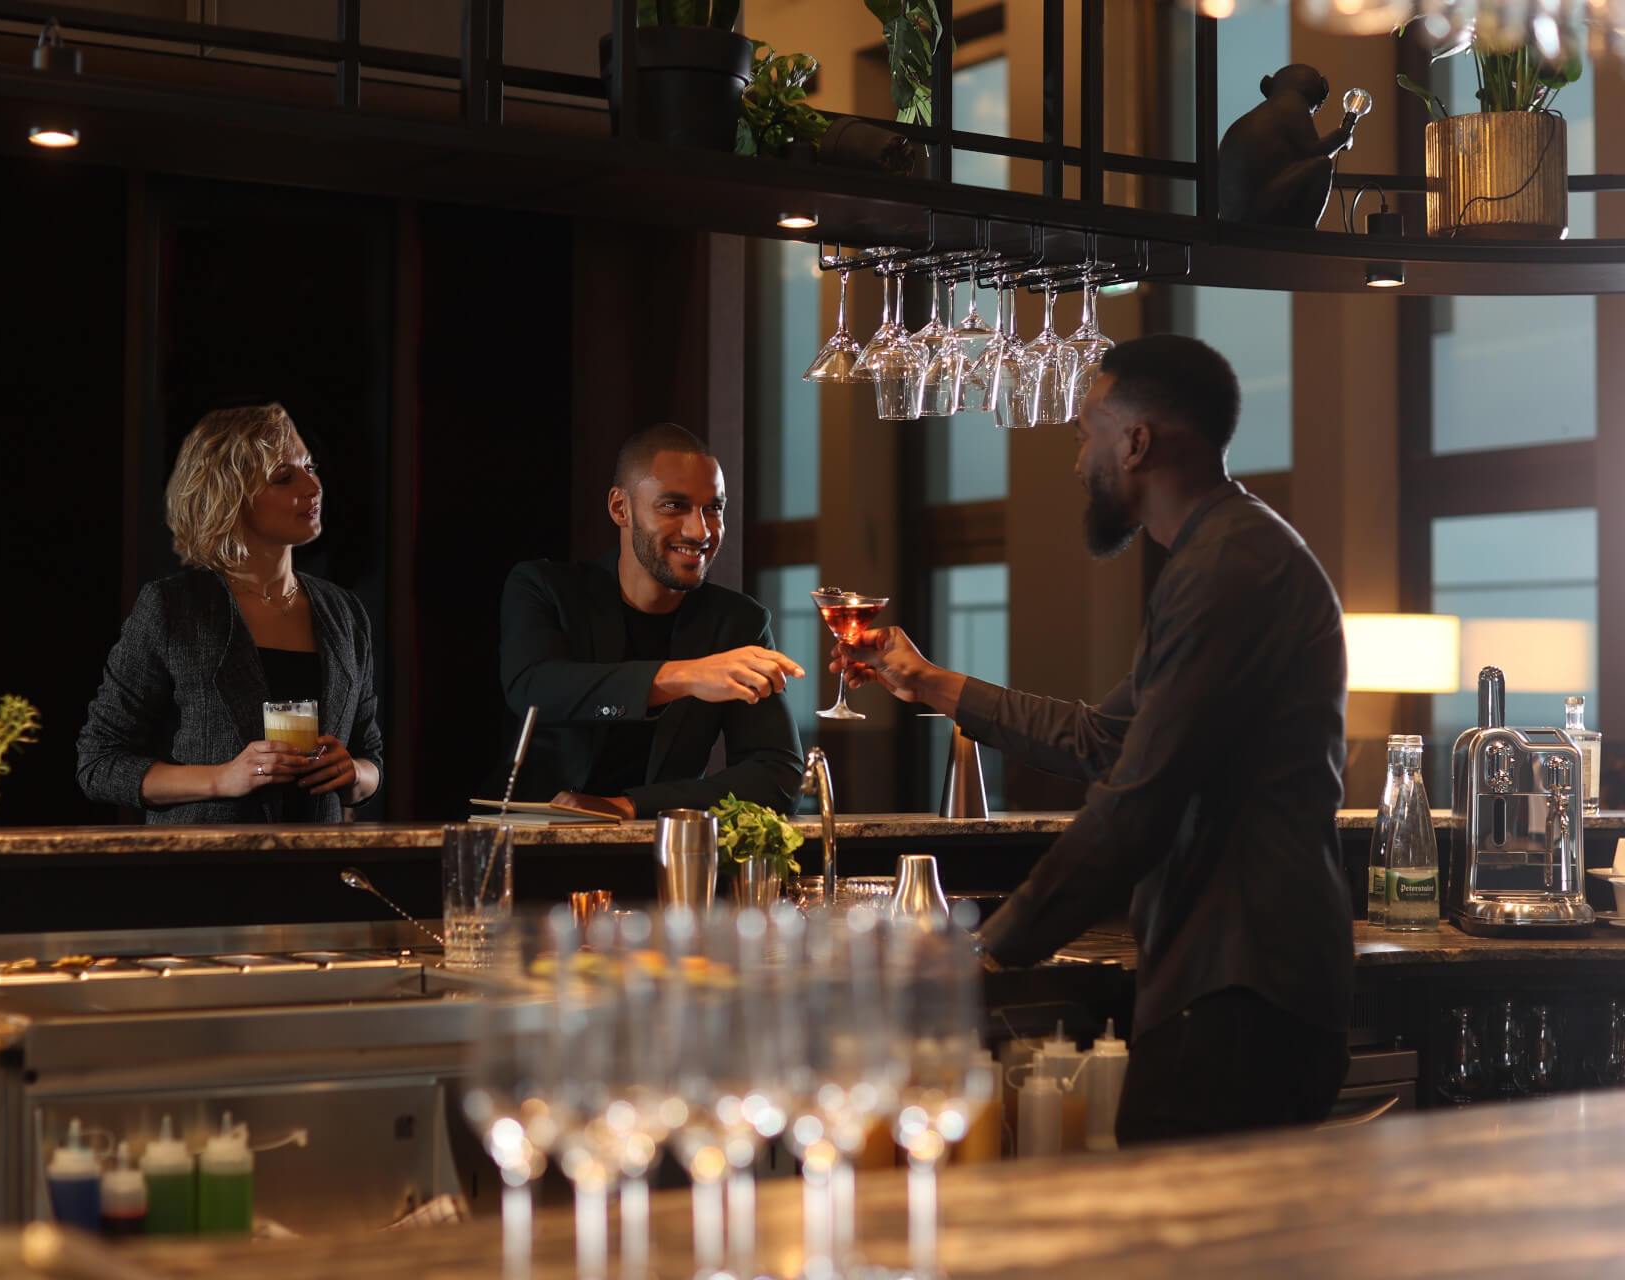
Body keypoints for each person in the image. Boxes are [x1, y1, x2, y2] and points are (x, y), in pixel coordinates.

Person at [836, 335, 1353, 1144]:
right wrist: (930, 682)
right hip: (1239, 981)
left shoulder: (1229, 569)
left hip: (1241, 990)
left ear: (1136, 442)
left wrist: (988, 952)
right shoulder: (1222, 555)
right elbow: (1101, 738)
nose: (1078, 461)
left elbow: (1136, 801)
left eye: (1085, 432)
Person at [77, 402, 383, 822]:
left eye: (310, 467)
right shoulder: (173, 608)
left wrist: (354, 775)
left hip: (315, 873)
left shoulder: (344, 612)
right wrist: (224, 778)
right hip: (208, 874)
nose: (313, 487)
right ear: (231, 497)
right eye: (284, 476)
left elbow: (371, 759)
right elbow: (99, 764)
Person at [495, 423, 805, 819]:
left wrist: (628, 806)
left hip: (664, 854)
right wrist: (684, 676)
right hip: (529, 848)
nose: (701, 530)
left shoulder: (738, 622)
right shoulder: (545, 588)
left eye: (714, 508)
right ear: (620, 508)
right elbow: (533, 691)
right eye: (673, 506)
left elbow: (777, 776)